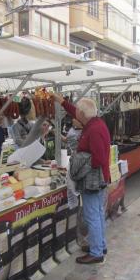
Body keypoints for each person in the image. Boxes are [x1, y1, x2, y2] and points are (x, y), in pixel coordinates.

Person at [53, 94, 110, 265]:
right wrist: (61, 101)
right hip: (98, 179)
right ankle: (99, 245)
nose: (75, 114)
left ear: (84, 115)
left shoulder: (94, 130)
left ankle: (96, 252)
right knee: (97, 213)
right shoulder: (94, 122)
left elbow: (98, 159)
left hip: (93, 180)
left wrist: (78, 168)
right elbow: (76, 111)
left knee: (92, 215)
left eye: (78, 112)